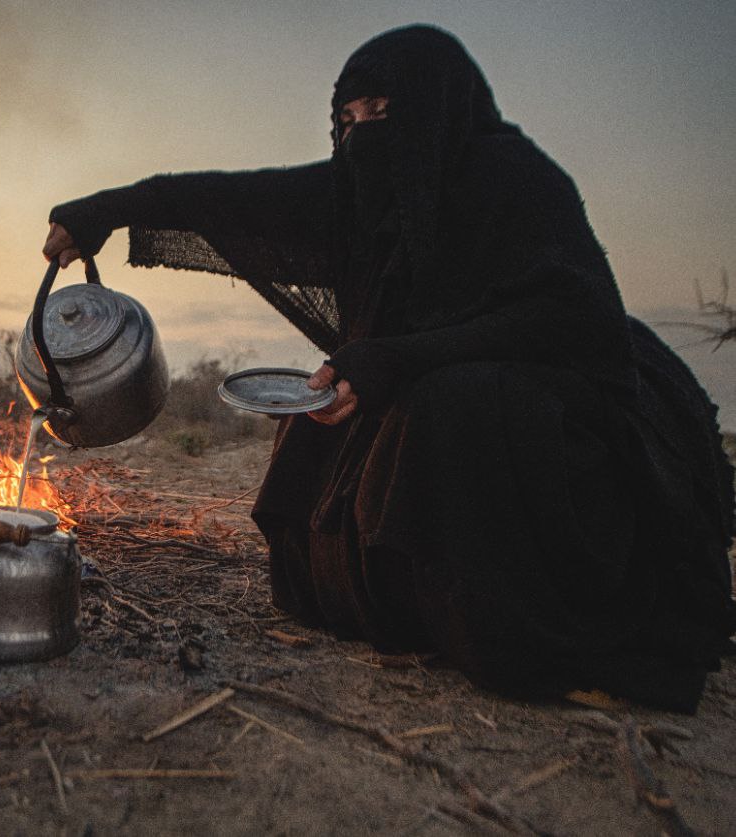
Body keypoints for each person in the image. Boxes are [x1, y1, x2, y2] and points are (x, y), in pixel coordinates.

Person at [41, 25, 734, 712]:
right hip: (427, 376)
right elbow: (227, 196)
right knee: (313, 410)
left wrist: (398, 359)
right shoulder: (358, 192)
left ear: (438, 105)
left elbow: (570, 322)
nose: (360, 134)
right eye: (345, 119)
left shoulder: (516, 180)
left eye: (381, 111)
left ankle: (530, 631)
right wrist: (100, 212)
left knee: (450, 405)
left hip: (568, 413)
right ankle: (398, 606)